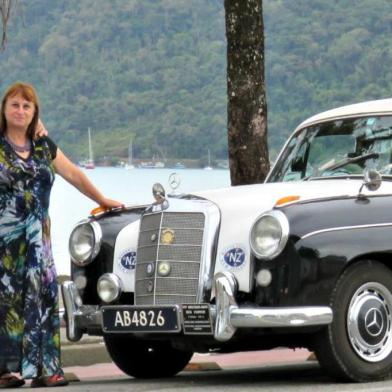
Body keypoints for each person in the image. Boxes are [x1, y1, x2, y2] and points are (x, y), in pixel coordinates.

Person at [0, 82, 123, 388]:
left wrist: (102, 200)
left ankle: (46, 369)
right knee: (7, 301)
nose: (20, 110)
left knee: (43, 297)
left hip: (39, 242)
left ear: (35, 113)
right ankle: (6, 370)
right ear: (4, 109)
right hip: (5, 243)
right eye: (14, 105)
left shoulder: (43, 146)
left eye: (26, 106)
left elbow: (73, 174)